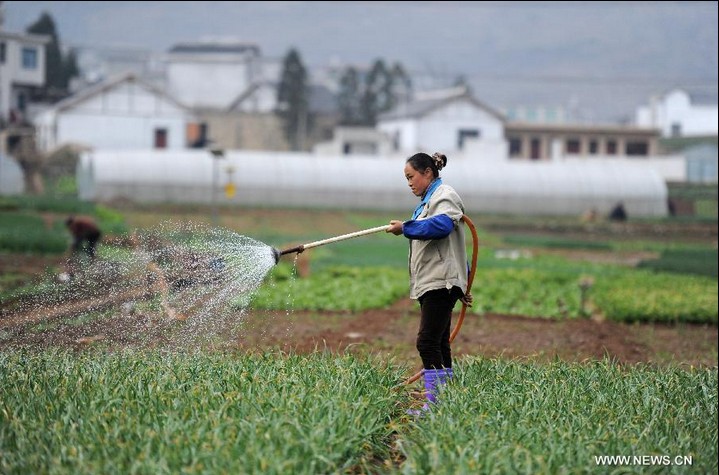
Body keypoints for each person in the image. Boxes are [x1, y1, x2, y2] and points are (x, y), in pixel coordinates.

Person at [386, 152, 472, 413]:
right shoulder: (428, 201)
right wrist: (464, 281)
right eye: (406, 179)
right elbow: (455, 247)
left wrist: (406, 228)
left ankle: (434, 405)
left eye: (411, 177)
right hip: (436, 282)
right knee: (439, 341)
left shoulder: (444, 194)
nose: (409, 183)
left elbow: (443, 227)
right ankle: (445, 403)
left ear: (427, 173)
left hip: (440, 282)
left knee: (426, 342)